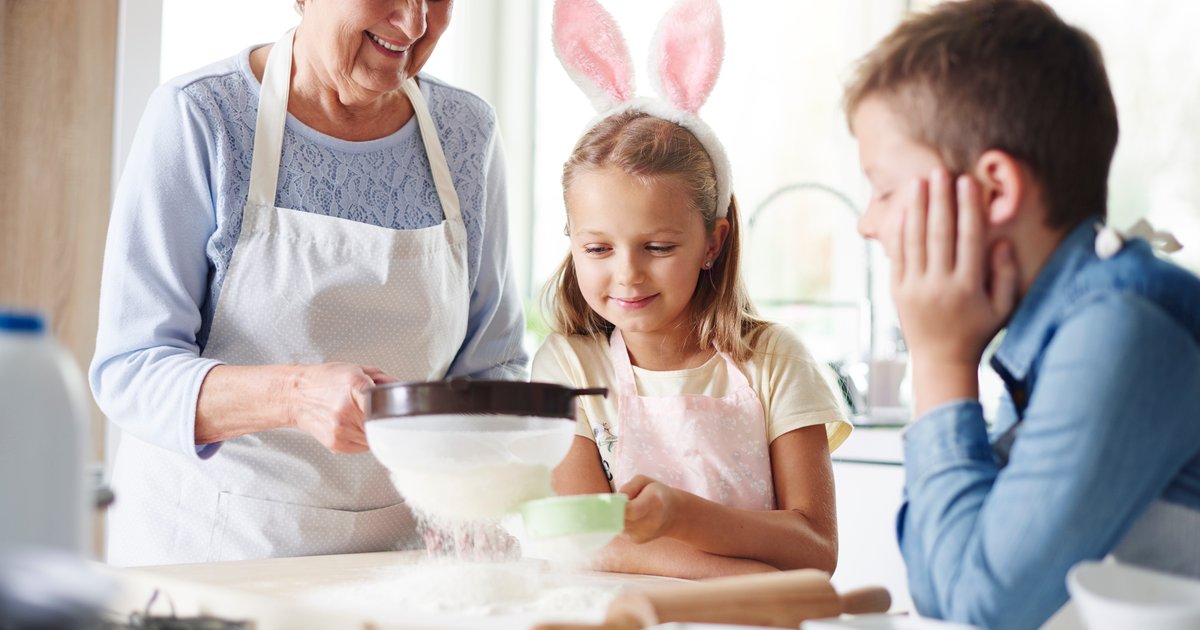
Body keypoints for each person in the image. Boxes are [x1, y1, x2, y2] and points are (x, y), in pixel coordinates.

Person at [90, 0, 527, 566]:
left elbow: (493, 367)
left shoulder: (467, 132)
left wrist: (474, 498)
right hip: (215, 555)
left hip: (402, 564)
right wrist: (295, 396)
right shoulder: (202, 115)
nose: (415, 22)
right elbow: (131, 369)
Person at [844, 0, 1200, 627]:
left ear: (995, 189)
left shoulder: (1122, 325)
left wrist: (938, 360)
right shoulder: (1052, 335)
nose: (866, 223)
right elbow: (940, 590)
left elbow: (985, 609)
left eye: (885, 189)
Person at [533, 0, 852, 580]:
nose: (627, 274)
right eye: (598, 249)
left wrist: (681, 515)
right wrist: (741, 578)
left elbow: (815, 547)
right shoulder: (567, 365)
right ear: (571, 241)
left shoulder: (775, 361)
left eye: (658, 248)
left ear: (712, 243)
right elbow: (586, 540)